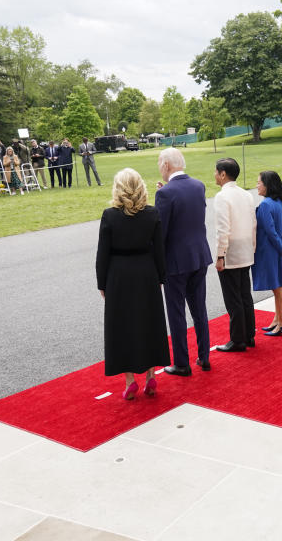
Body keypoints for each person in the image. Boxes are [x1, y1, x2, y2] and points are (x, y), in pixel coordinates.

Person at [96, 168, 170, 400]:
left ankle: (129, 380)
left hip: (118, 275)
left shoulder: (110, 215)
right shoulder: (152, 213)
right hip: (146, 273)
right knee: (149, 322)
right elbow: (160, 250)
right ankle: (150, 375)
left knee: (123, 326)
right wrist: (160, 277)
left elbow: (102, 254)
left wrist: (102, 282)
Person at [154, 148, 214, 376]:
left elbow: (162, 233)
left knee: (177, 312)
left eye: (160, 164)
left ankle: (181, 362)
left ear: (167, 165)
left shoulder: (166, 194)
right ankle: (204, 356)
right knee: (199, 309)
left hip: (176, 261)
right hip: (199, 255)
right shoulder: (198, 186)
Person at [213, 157, 257, 352]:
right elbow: (253, 224)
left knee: (233, 298)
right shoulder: (246, 195)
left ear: (223, 174)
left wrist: (220, 254)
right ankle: (248, 335)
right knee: (244, 294)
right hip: (246, 248)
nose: (214, 175)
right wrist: (252, 247)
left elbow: (223, 229)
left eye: (216, 172)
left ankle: (237, 339)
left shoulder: (222, 197)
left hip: (231, 250)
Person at [253, 171, 282, 336]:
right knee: (278, 289)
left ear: (267, 185)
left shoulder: (265, 205)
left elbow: (270, 232)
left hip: (272, 252)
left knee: (277, 290)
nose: (257, 185)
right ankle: (277, 320)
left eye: (259, 182)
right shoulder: (281, 202)